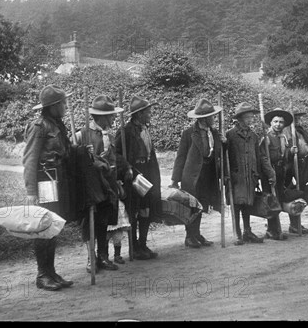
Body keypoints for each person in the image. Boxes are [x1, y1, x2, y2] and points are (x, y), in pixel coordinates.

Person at [23, 85, 74, 291]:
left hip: (57, 181)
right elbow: (29, 160)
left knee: (52, 227)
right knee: (43, 227)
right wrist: (31, 192)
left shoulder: (57, 125)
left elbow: (66, 151)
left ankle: (51, 272)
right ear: (52, 106)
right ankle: (42, 275)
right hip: (44, 182)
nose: (65, 106)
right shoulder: (39, 126)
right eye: (62, 103)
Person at [74, 95, 130, 272]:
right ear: (101, 117)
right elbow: (74, 159)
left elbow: (114, 158)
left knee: (105, 221)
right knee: (91, 221)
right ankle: (91, 259)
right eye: (111, 116)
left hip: (109, 185)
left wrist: (122, 173)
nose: (114, 119)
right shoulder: (82, 135)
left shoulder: (109, 135)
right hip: (92, 186)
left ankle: (103, 256)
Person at [170, 99, 224, 248]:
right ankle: (189, 236)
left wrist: (223, 142)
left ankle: (197, 233)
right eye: (211, 117)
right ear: (204, 119)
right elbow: (181, 156)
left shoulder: (214, 133)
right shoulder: (189, 134)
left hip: (208, 174)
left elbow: (218, 152)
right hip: (193, 175)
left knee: (202, 205)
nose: (213, 119)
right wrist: (175, 179)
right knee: (192, 206)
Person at [115, 95, 161, 260]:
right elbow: (116, 153)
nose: (150, 113)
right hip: (134, 174)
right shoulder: (126, 131)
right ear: (138, 113)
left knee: (146, 209)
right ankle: (134, 247)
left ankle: (142, 244)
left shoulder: (145, 129)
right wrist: (127, 167)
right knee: (134, 210)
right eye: (147, 111)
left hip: (147, 172)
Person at [225, 102, 275, 245]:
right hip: (236, 176)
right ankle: (237, 233)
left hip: (250, 176)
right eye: (247, 117)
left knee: (248, 204)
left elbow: (259, 157)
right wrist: (226, 176)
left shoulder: (253, 136)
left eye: (251, 117)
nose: (250, 120)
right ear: (239, 118)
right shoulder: (230, 135)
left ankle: (247, 231)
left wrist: (269, 172)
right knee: (237, 204)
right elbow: (222, 158)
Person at [259, 108, 296, 240]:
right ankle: (272, 230)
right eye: (275, 121)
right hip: (269, 173)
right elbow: (263, 158)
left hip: (280, 171)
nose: (278, 124)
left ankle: (275, 229)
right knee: (271, 201)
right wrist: (270, 173)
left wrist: (290, 152)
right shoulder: (266, 137)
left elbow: (284, 157)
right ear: (270, 123)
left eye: (281, 122)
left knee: (278, 199)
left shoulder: (283, 138)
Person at [283, 112, 308, 234]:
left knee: (301, 194)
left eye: (297, 118)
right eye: (294, 118)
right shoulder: (285, 132)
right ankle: (294, 225)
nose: (296, 121)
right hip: (290, 168)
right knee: (294, 195)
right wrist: (291, 152)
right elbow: (284, 151)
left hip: (303, 167)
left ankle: (298, 224)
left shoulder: (301, 131)